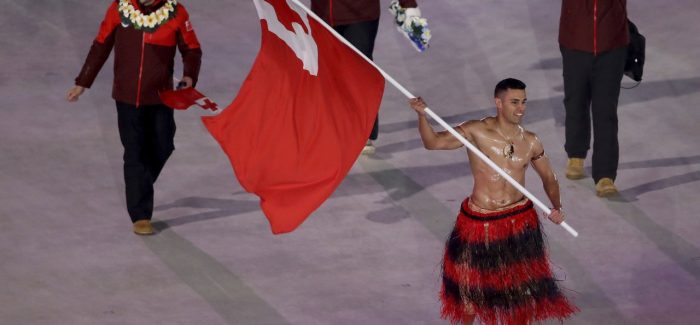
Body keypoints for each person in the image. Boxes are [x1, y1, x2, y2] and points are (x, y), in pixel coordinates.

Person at [409, 78, 577, 325]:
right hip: (478, 222)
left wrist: (557, 207)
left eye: (523, 102)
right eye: (514, 102)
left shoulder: (531, 140)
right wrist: (422, 116)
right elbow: (432, 143)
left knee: (519, 290)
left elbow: (549, 178)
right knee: (469, 289)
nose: (520, 108)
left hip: (518, 221)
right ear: (498, 103)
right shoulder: (475, 131)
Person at [66, 0, 202, 235]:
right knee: (135, 152)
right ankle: (140, 215)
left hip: (161, 96)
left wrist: (189, 77)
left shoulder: (176, 13)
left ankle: (139, 186)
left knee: (164, 145)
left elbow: (192, 49)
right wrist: (82, 82)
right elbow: (100, 46)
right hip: (126, 96)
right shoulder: (118, 10)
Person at [311, 0, 420, 154]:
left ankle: (363, 131)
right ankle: (332, 128)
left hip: (360, 13)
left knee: (359, 73)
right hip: (321, 14)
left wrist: (407, 5)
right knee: (327, 72)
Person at [559, 0, 629, 197]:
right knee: (575, 103)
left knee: (605, 111)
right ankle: (576, 154)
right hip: (575, 39)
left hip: (612, 42)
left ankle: (605, 175)